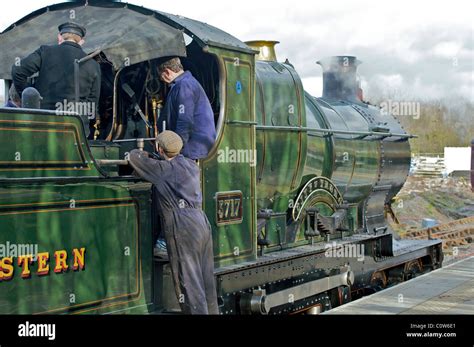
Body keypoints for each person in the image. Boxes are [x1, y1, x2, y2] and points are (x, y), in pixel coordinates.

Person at [129, 130, 219, 314]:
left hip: (182, 226)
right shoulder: (191, 165)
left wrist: (141, 153)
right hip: (201, 222)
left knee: (189, 285)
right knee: (207, 284)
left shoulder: (163, 170)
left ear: (159, 148)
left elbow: (134, 158)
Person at [11, 22, 101, 137]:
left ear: (59, 37)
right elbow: (93, 102)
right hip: (76, 128)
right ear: (81, 41)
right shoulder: (94, 65)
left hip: (44, 122)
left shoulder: (45, 51)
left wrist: (29, 98)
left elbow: (17, 71)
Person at [158, 57, 216, 160]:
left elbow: (185, 121)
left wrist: (175, 150)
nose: (163, 81)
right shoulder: (184, 83)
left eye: (161, 77)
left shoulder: (184, 85)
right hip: (193, 146)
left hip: (192, 149)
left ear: (167, 72)